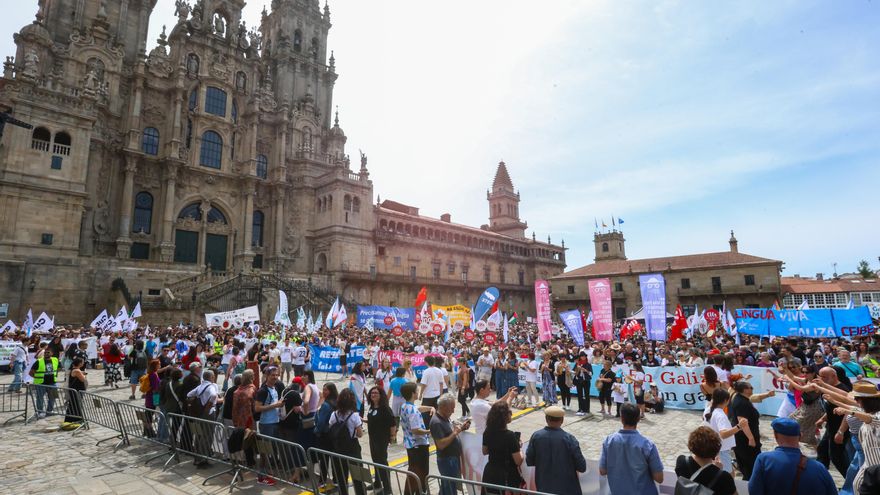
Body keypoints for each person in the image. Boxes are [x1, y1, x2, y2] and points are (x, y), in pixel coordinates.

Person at [748, 417, 837, 495]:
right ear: (800, 437)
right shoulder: (820, 468)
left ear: (775, 435)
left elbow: (754, 490)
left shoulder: (764, 460)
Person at [599, 403, 664, 495]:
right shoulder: (647, 445)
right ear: (638, 419)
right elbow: (659, 478)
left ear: (621, 419)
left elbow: (603, 471)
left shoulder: (608, 441)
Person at [526, 405, 586, 495]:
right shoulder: (570, 439)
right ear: (562, 420)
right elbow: (582, 467)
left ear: (546, 419)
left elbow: (529, 461)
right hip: (567, 489)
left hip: (543, 487)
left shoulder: (536, 436)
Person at [728, 380, 774, 480]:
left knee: (747, 465)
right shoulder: (742, 402)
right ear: (745, 390)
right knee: (750, 465)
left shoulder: (738, 396)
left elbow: (755, 397)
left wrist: (767, 395)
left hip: (740, 438)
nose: (752, 389)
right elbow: (743, 422)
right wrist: (751, 438)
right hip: (745, 439)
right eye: (751, 387)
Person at [674, 426, 737, 495]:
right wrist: (717, 470)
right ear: (716, 449)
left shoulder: (682, 461)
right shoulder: (724, 477)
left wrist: (714, 470)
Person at [328, 388, 366, 495]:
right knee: (358, 477)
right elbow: (359, 434)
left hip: (338, 448)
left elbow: (331, 428)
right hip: (353, 448)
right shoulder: (354, 416)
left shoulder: (334, 414)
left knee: (341, 477)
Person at [703, 388, 751, 473]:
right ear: (726, 400)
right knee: (727, 475)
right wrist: (739, 427)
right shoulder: (720, 415)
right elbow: (723, 434)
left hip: (714, 447)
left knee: (729, 472)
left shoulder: (708, 409)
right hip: (721, 449)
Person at [482, 401, 523, 494]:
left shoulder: (487, 432)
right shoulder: (510, 436)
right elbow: (518, 460)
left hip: (490, 473)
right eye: (509, 412)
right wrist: (520, 449)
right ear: (504, 417)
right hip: (506, 476)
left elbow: (484, 451)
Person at [254, 366, 285, 486]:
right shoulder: (262, 391)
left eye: (277, 375)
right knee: (264, 451)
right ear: (267, 376)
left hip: (275, 422)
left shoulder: (276, 387)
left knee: (271, 450)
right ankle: (261, 477)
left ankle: (267, 472)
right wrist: (275, 405)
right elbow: (257, 408)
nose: (275, 377)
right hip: (266, 424)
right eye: (273, 375)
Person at [399, 381, 432, 494]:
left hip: (411, 445)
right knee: (421, 473)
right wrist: (429, 431)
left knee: (413, 472)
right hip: (418, 446)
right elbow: (415, 430)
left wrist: (430, 408)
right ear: (413, 393)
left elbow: (418, 408)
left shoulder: (405, 406)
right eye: (417, 390)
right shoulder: (412, 410)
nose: (418, 392)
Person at [430, 394, 466, 495]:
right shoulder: (436, 422)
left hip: (452, 458)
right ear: (443, 407)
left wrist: (461, 428)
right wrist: (455, 433)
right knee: (449, 488)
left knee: (447, 487)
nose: (454, 411)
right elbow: (441, 444)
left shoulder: (445, 417)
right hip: (447, 460)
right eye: (452, 408)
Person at [366, 386, 395, 495]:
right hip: (372, 438)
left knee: (382, 462)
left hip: (381, 439)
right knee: (375, 460)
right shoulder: (372, 407)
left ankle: (387, 487)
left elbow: (392, 424)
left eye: (376, 393)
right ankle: (377, 482)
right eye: (372, 393)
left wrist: (392, 437)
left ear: (380, 395)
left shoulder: (385, 408)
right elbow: (371, 420)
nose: (373, 395)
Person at [314, 383, 339, 490]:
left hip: (325, 436)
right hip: (335, 435)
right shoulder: (337, 402)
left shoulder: (325, 405)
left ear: (331, 391)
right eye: (323, 390)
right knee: (334, 458)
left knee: (324, 459)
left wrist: (316, 431)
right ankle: (336, 480)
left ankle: (322, 480)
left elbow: (320, 423)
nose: (323, 392)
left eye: (326, 390)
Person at [29, 348, 59, 418]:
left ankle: (50, 411)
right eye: (45, 352)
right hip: (41, 383)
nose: (46, 354)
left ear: (52, 353)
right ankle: (40, 412)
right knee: (40, 398)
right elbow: (31, 372)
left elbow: (58, 368)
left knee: (53, 397)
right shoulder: (38, 361)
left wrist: (55, 374)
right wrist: (37, 378)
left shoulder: (55, 360)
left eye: (48, 352)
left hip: (52, 382)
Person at [63, 357, 87, 425]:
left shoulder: (75, 370)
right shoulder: (77, 371)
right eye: (82, 362)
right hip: (76, 390)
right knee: (75, 405)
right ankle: (76, 419)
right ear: (79, 363)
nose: (83, 363)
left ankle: (74, 419)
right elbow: (83, 379)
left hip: (75, 390)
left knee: (74, 405)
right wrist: (84, 375)